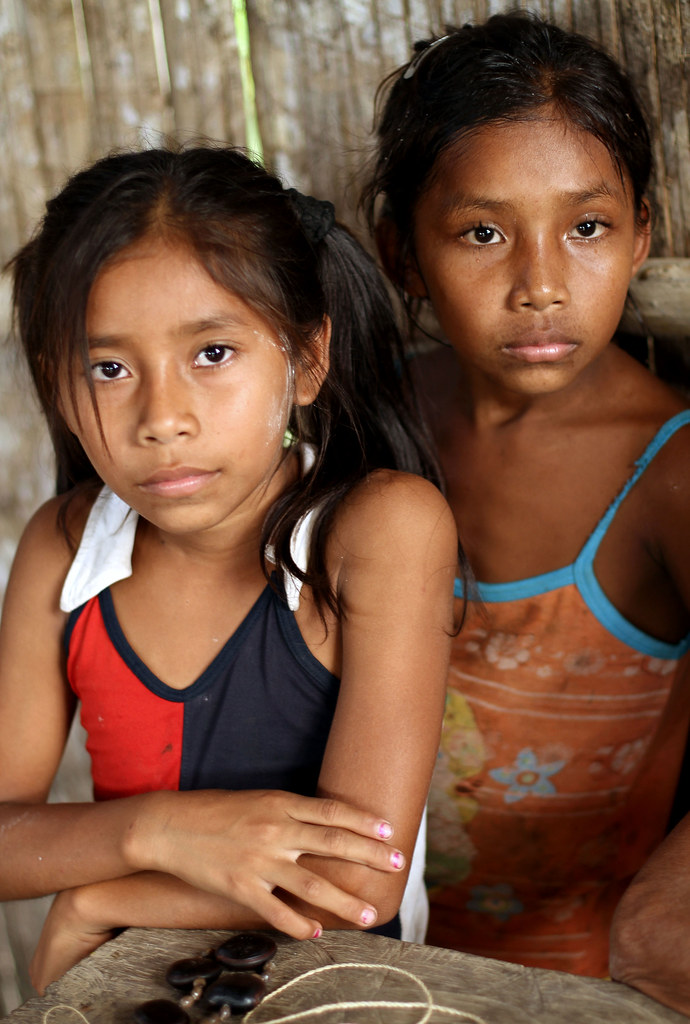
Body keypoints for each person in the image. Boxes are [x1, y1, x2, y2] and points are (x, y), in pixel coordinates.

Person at [0, 144, 457, 994]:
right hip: (137, 993)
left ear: (307, 359)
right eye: (108, 368)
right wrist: (156, 833)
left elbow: (360, 881)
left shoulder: (378, 530)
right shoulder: (62, 549)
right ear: (55, 387)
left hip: (342, 993)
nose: (162, 418)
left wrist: (94, 899)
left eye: (212, 354)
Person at [362, 11, 690, 1015]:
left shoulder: (668, 467)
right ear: (403, 252)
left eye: (585, 227)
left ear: (643, 230)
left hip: (586, 984)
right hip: (369, 961)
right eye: (483, 232)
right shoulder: (378, 423)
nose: (540, 284)